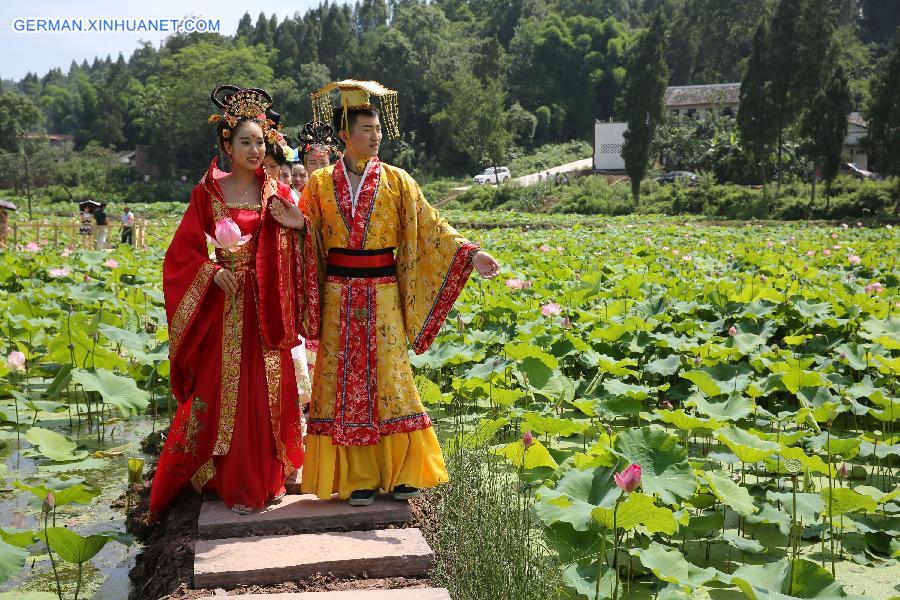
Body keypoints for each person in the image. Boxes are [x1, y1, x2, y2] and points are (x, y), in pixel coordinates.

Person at [299, 80, 500, 506]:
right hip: (338, 293)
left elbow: (431, 226)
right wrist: (292, 224)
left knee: (390, 378)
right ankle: (357, 478)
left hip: (383, 294)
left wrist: (471, 253)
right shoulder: (317, 184)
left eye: (377, 129)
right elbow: (308, 235)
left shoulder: (397, 181)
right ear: (344, 136)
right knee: (341, 381)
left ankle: (405, 471)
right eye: (366, 129)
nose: (375, 136)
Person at [148, 85, 314, 520]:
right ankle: (225, 478)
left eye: (260, 141)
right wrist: (210, 271)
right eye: (245, 142)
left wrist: (298, 229)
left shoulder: (276, 191)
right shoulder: (208, 192)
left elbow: (304, 242)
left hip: (266, 308)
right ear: (227, 145)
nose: (255, 149)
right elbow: (181, 254)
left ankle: (267, 476)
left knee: (267, 391)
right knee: (223, 390)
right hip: (224, 307)